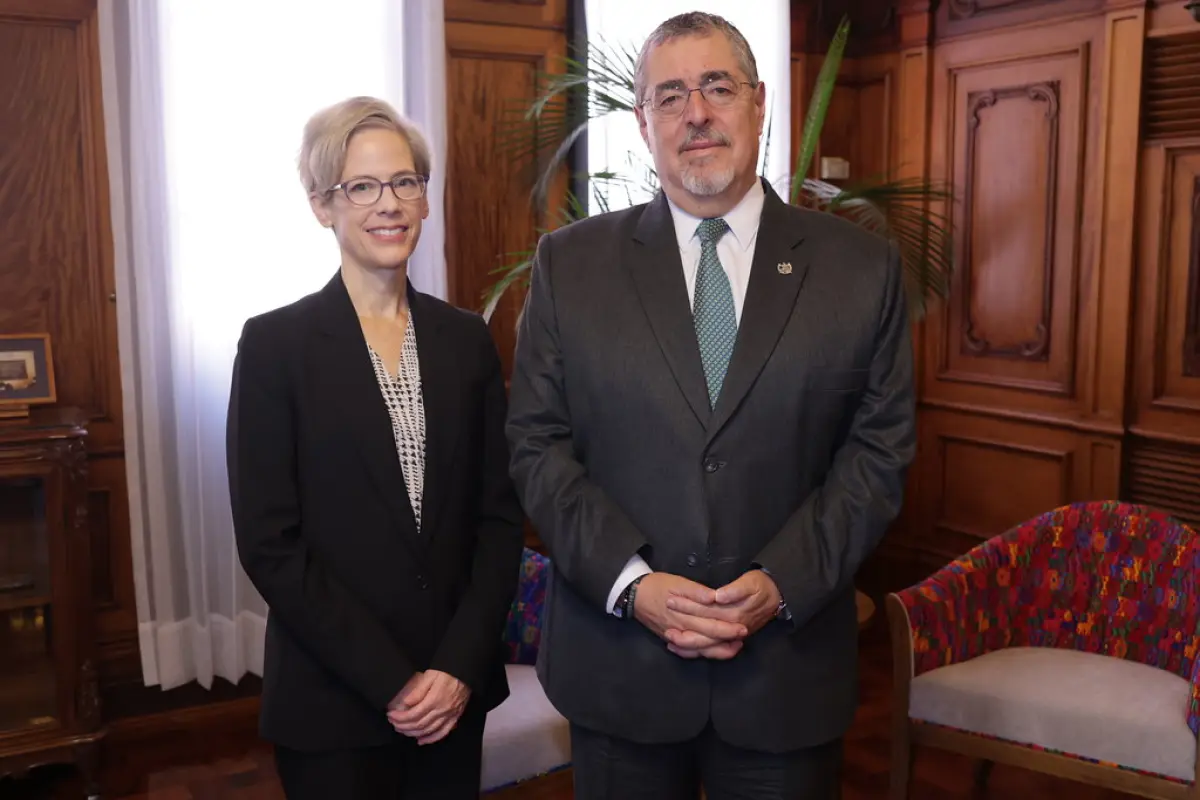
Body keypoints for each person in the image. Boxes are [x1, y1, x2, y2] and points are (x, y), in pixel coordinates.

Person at [505, 11, 916, 799]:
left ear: (759, 104)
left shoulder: (861, 271)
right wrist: (634, 584)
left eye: (717, 87)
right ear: (643, 122)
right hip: (619, 672)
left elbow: (879, 452)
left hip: (784, 684)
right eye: (670, 95)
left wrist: (783, 578)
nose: (696, 112)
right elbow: (535, 444)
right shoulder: (572, 264)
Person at [225, 96, 524, 800]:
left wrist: (454, 669)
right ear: (320, 205)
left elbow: (500, 520)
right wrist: (394, 681)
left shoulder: (466, 340)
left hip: (455, 700)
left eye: (404, 182)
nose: (387, 203)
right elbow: (271, 544)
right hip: (334, 704)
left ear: (424, 198)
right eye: (361, 186)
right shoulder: (274, 347)